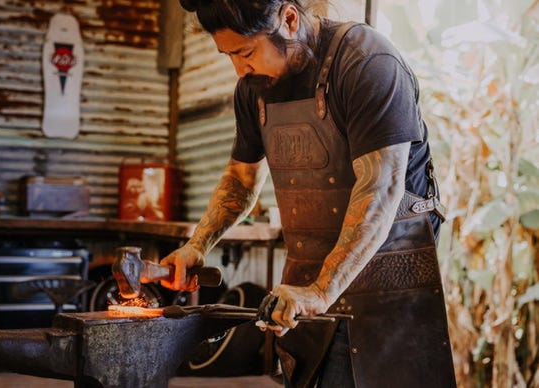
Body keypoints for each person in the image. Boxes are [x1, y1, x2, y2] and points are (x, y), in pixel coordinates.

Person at [160, 1, 456, 387]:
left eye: (246, 52)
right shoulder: (253, 88)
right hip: (309, 277)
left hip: (390, 278)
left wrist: (321, 290)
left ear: (289, 19)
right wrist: (197, 245)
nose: (239, 69)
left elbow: (380, 189)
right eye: (229, 55)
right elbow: (241, 180)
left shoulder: (367, 62)